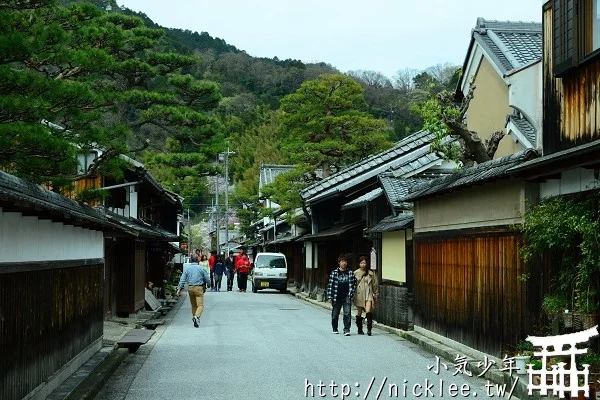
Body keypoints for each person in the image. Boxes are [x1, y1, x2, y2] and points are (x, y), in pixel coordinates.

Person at [176, 254, 210, 328]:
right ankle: (196, 317)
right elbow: (207, 278)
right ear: (198, 260)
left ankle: (195, 319)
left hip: (190, 288)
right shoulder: (201, 268)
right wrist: (209, 284)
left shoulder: (187, 269)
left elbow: (182, 279)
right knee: (200, 305)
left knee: (194, 305)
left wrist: (179, 289)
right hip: (199, 288)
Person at [327, 253, 357, 336]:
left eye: (345, 261)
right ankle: (335, 328)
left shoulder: (350, 273)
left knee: (347, 314)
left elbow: (354, 284)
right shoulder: (334, 273)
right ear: (339, 262)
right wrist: (330, 297)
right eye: (342, 261)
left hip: (347, 296)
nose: (344, 263)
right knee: (335, 314)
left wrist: (351, 294)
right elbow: (330, 285)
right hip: (336, 296)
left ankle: (346, 329)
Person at [354, 256, 378, 336]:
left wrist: (375, 293)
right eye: (361, 263)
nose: (363, 264)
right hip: (359, 294)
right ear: (359, 264)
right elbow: (354, 285)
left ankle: (369, 329)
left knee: (368, 311)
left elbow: (374, 283)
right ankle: (360, 329)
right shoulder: (355, 273)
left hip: (368, 293)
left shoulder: (370, 273)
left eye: (364, 263)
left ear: (366, 263)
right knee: (359, 312)